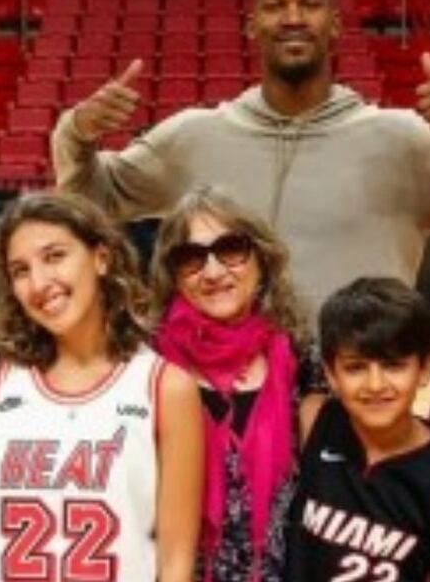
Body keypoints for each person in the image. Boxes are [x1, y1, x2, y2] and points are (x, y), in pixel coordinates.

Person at [51, 0, 430, 314]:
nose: (293, 18)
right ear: (251, 26)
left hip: (360, 390)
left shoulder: (402, 140)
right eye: (274, 5)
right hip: (230, 395)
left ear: (336, 23)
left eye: (310, 4)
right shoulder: (192, 137)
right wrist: (78, 133)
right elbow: (88, 202)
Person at [0, 191, 204, 582]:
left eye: (55, 256)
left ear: (101, 258)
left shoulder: (164, 386)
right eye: (20, 270)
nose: (39, 282)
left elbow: (175, 561)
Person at [150, 186, 310, 582]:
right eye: (190, 258)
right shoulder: (147, 366)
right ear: (173, 276)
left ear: (262, 260)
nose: (213, 271)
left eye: (231, 249)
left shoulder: (304, 361)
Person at [289, 277, 430, 582]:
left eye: (393, 365)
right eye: (356, 367)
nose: (375, 385)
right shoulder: (315, 417)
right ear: (331, 374)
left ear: (426, 368)